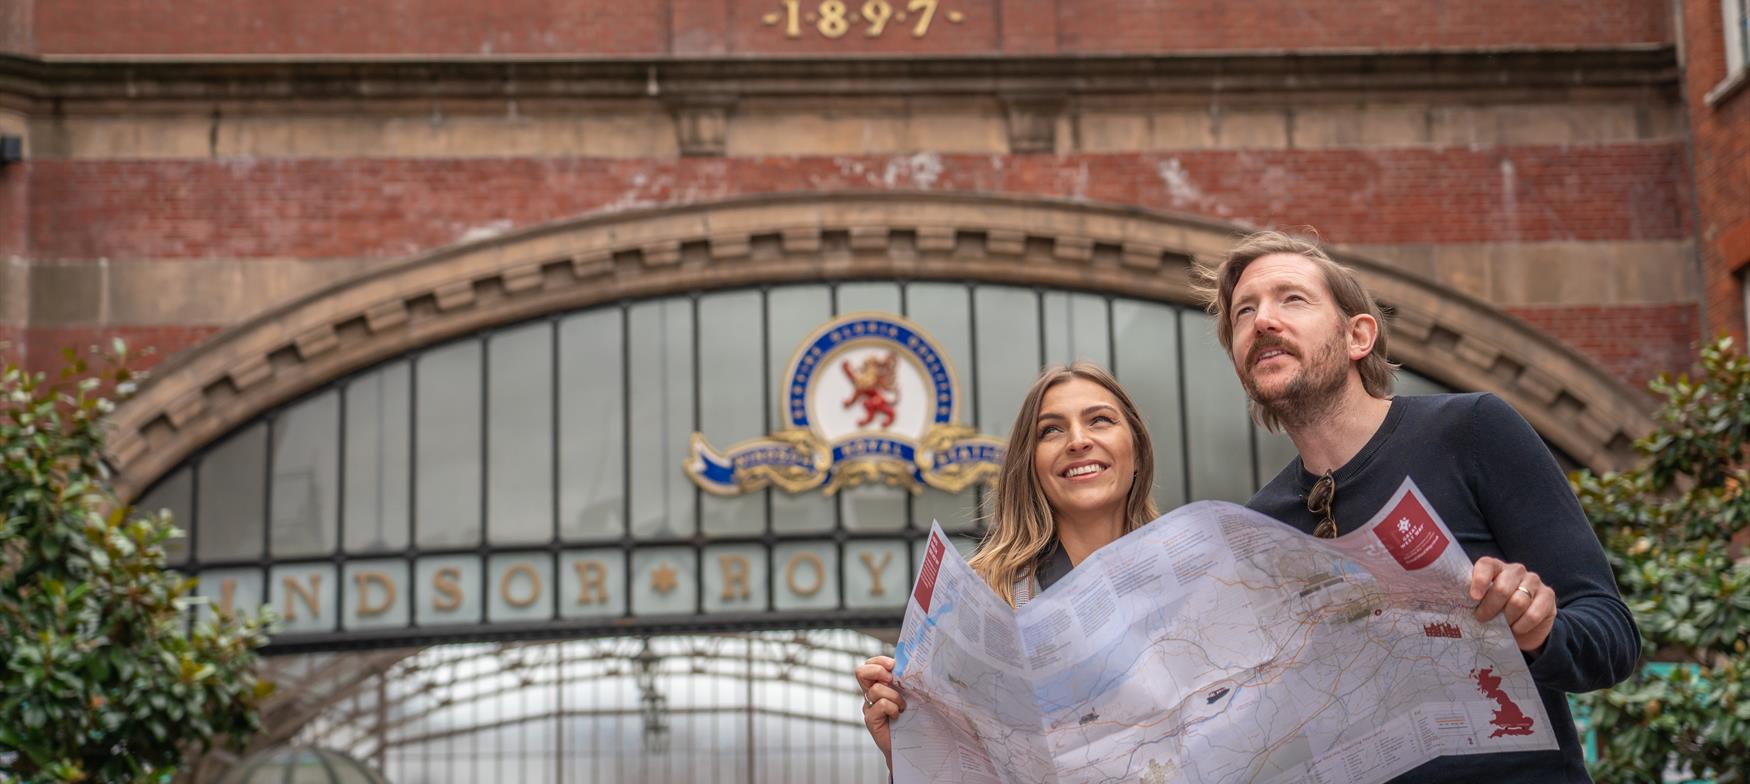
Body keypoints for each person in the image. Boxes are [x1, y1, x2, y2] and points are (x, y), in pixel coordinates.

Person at [1202, 230, 1639, 782]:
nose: (1262, 320)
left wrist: (1539, 632)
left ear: (1358, 335)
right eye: (1244, 311)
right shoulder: (1260, 526)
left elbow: (1612, 635)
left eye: (1292, 298)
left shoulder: (1472, 429)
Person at [854, 362, 1160, 772]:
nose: (1078, 440)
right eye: (1051, 430)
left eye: (1100, 420)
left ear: (1137, 449)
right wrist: (908, 756)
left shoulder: (1197, 575)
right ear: (1031, 463)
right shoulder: (979, 597)